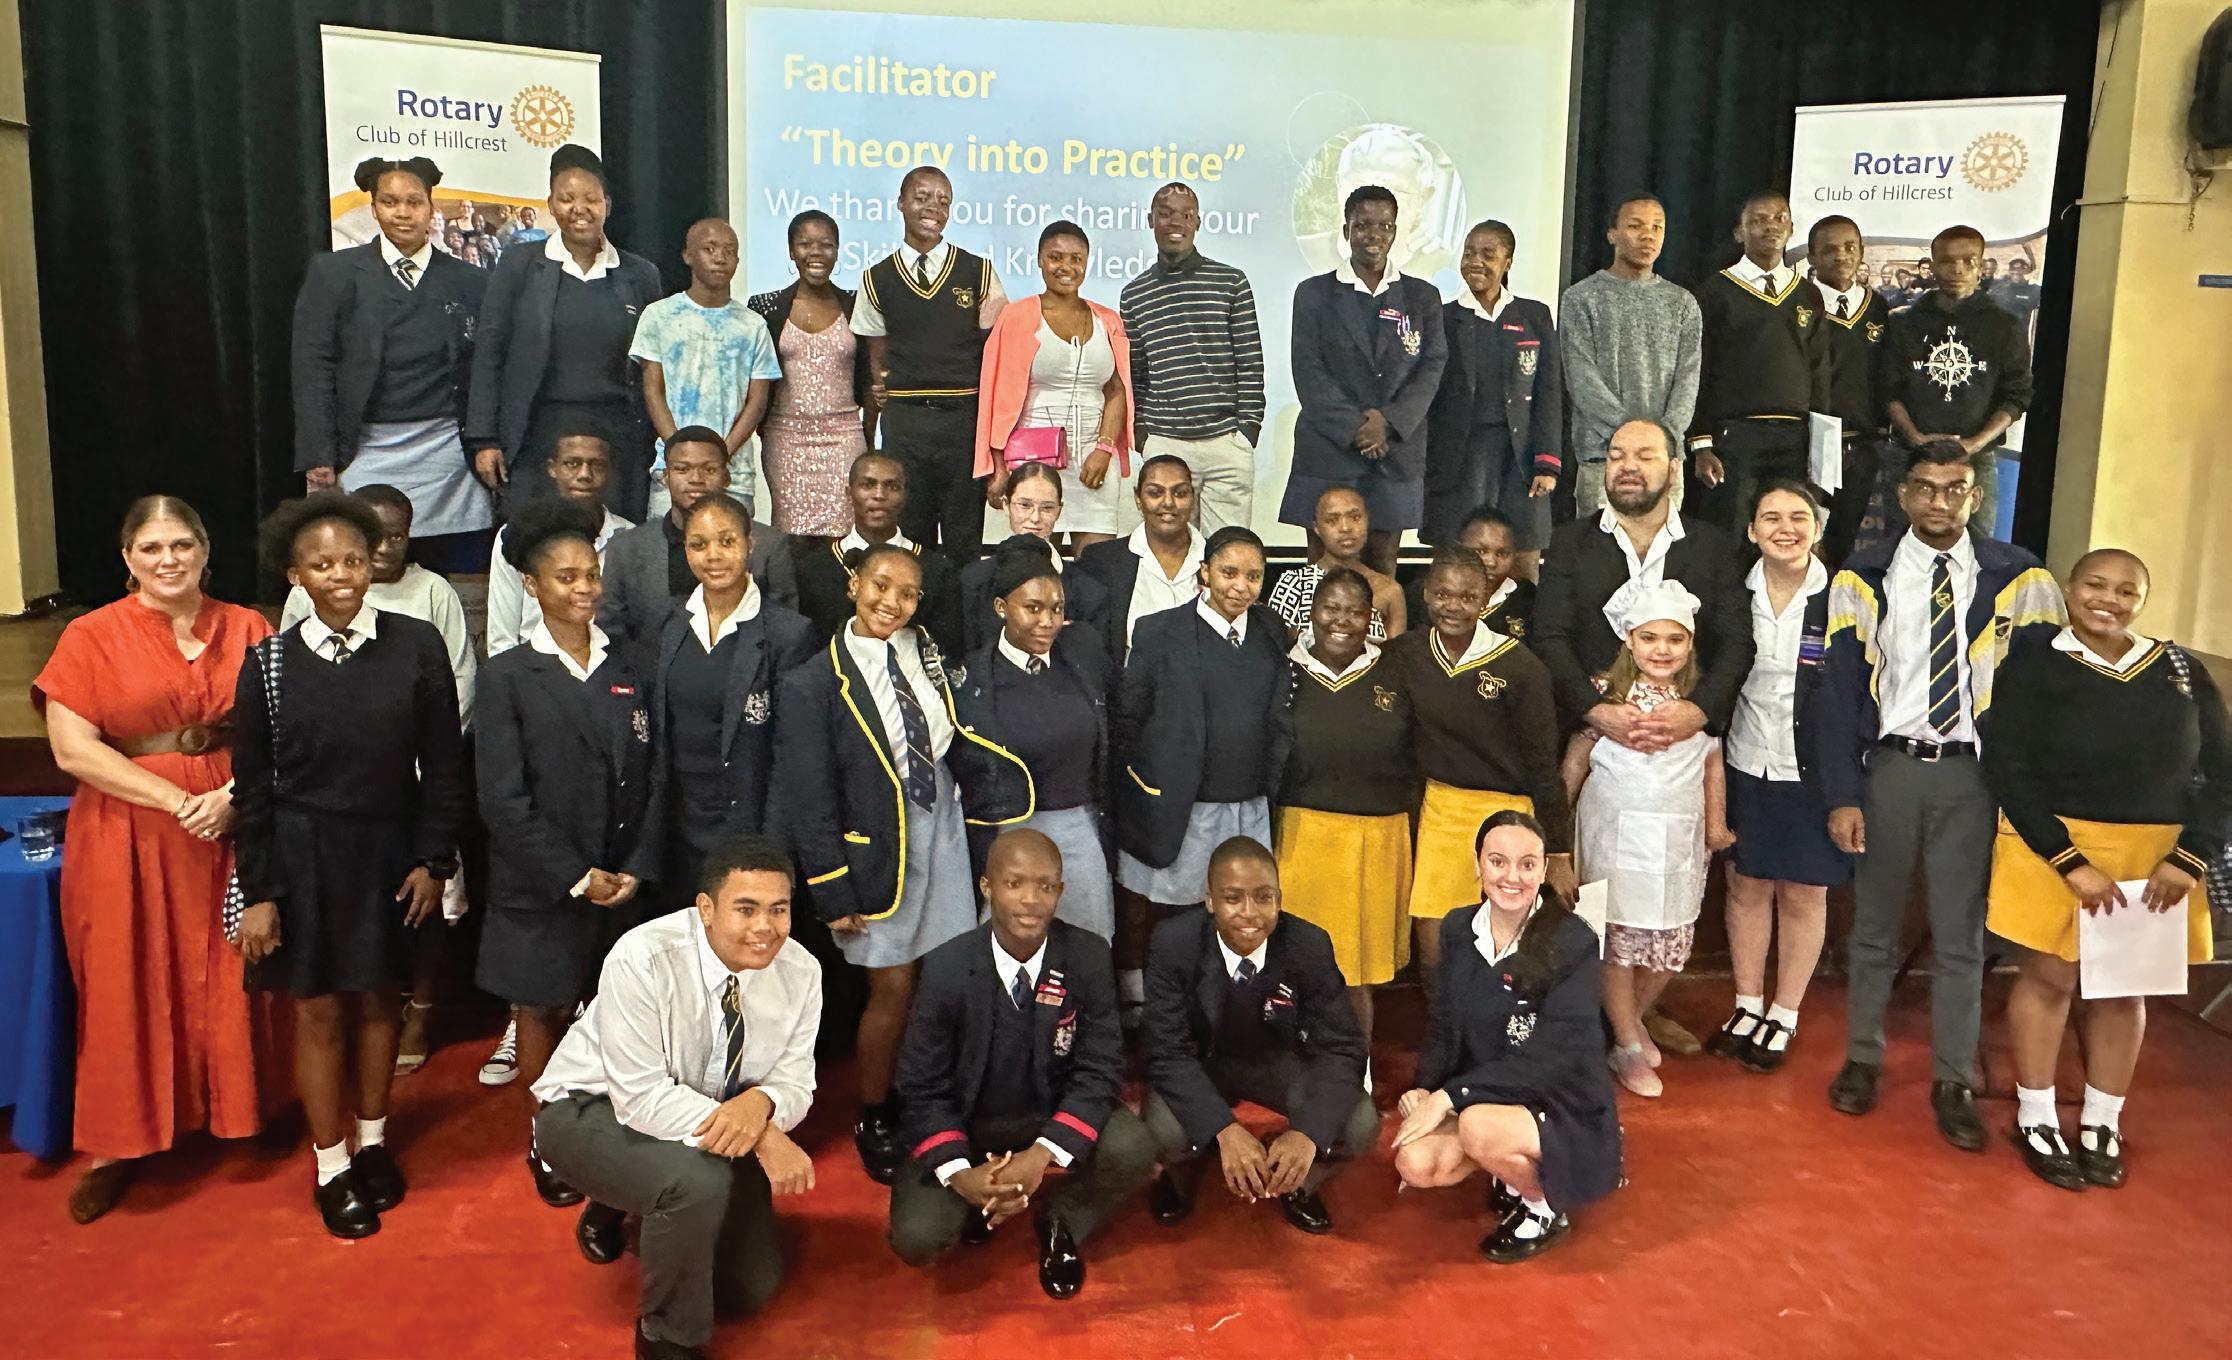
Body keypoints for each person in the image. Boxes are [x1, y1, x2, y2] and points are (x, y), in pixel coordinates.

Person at [34, 497, 287, 1224]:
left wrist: (235, 795)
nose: (168, 560)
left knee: (233, 963)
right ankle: (116, 1144)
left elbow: (283, 724)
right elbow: (72, 749)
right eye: (151, 548)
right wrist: (177, 801)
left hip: (235, 817)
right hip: (130, 829)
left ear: (206, 550)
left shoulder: (249, 626)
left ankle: (243, 1109)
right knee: (127, 973)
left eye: (182, 544)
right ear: (127, 558)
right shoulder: (89, 635)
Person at [231, 494, 467, 1238]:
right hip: (303, 859)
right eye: (323, 564)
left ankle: (372, 1143)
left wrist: (433, 859)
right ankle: (331, 1164)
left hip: (391, 855)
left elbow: (445, 764)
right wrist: (261, 891)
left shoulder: (415, 643)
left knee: (379, 1002)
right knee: (320, 1009)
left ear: (374, 563)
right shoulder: (267, 664)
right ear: (295, 575)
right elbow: (252, 789)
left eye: (353, 561)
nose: (341, 576)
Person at [1817, 442, 2064, 1150]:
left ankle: (1953, 1077)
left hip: (1972, 774)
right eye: (1924, 488)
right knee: (1873, 927)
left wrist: (2025, 789)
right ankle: (1863, 1057)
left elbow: (2041, 693)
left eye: (1954, 489)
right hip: (1891, 767)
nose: (1938, 502)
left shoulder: (2020, 576)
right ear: (1902, 496)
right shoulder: (1863, 575)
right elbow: (1836, 692)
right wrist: (1843, 794)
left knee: (1961, 936)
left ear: (1975, 497)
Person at [774, 543, 1030, 1184]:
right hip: (875, 847)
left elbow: (953, 737)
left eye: (908, 593)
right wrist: (832, 889)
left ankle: (934, 1095)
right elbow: (809, 796)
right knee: (891, 987)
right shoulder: (813, 682)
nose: (892, 602)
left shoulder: (928, 651)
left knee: (946, 975)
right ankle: (875, 1111)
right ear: (853, 585)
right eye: (880, 586)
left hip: (941, 825)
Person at [1981, 549, 2227, 1191]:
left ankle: (2102, 1120)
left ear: (2142, 600)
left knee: (2124, 989)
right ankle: (2036, 1116)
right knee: (2050, 978)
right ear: (2070, 589)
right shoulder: (2034, 666)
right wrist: (2069, 862)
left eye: (2126, 591)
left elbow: (2222, 773)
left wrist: (2189, 857)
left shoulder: (2180, 671)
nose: (2108, 600)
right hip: (2051, 846)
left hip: (2156, 859)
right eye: (2095, 584)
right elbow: (2008, 768)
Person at [531, 836, 821, 1360]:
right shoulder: (643, 956)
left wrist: (763, 1105)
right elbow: (640, 1098)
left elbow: (797, 1081)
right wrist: (761, 1134)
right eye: (746, 909)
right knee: (696, 1183)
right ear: (706, 908)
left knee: (746, 1292)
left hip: (710, 1120)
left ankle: (631, 1197)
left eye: (778, 910)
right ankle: (666, 1336)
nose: (765, 927)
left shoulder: (802, 972)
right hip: (589, 1109)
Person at [1533, 419, 1750, 1056]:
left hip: (1680, 756)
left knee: (1664, 905)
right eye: (1616, 455)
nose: (1628, 466)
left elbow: (1736, 643)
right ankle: (1608, 1026)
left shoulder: (1710, 545)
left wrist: (1698, 712)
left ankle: (1633, 1020)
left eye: (1645, 455)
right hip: (1600, 756)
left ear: (1674, 468)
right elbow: (1550, 638)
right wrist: (1595, 711)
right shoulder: (1572, 541)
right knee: (1599, 908)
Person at [474, 498, 665, 1206]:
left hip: (623, 882)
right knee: (544, 1012)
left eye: (591, 575)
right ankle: (548, 1138)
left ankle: (610, 1131)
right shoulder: (507, 676)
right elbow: (503, 799)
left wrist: (637, 865)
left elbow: (656, 775)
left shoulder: (632, 665)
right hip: (545, 885)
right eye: (566, 577)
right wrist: (575, 876)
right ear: (531, 586)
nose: (585, 588)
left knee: (618, 1014)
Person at [888, 829, 1153, 1300]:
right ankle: (978, 1203)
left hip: (1046, 1114)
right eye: (1014, 884)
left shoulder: (1088, 956)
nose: (1031, 900)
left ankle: (1061, 1219)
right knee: (917, 1238)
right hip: (969, 1123)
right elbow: (921, 1085)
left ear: (1060, 891)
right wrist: (961, 1173)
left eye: (1045, 885)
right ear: (987, 887)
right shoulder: (947, 966)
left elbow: (1099, 1068)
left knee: (1133, 1146)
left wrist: (1043, 1154)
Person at [280, 484, 476, 1074]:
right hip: (329, 792)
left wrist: (414, 751)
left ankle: (419, 1010)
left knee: (422, 909)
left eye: (395, 536)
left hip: (413, 779)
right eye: (373, 537)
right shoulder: (294, 616)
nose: (384, 548)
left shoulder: (431, 594)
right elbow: (291, 684)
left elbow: (459, 680)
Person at [1390, 811, 1621, 1264]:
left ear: (1543, 869)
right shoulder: (1458, 928)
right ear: (1477, 864)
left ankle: (1543, 1207)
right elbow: (1443, 1023)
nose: (1512, 877)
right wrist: (1425, 1089)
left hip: (1561, 1101)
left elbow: (1554, 1057)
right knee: (1416, 1162)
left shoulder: (1572, 940)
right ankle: (1507, 1169)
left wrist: (1450, 1097)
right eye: (1497, 861)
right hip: (1487, 1094)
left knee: (1477, 1127)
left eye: (1527, 864)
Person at [1142, 836, 1377, 1236]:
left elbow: (1343, 1047)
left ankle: (1298, 1181)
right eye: (1233, 898)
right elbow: (1165, 1050)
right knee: (1162, 1130)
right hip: (1201, 1062)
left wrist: (1308, 1134)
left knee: (1359, 1123)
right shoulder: (1174, 942)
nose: (1249, 913)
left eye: (1263, 897)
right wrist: (1224, 1129)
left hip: (1278, 1062)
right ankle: (1183, 1170)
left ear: (1279, 900)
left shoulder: (1309, 944)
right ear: (1210, 900)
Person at [1567, 582, 1733, 1099]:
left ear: (1691, 643)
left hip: (1678, 839)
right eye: (1649, 637)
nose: (1662, 649)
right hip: (1611, 838)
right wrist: (1553, 832)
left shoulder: (1700, 703)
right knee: (1616, 945)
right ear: (1629, 641)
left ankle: (1630, 1019)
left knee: (1667, 943)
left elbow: (1713, 764)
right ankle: (1626, 1044)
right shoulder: (1605, 697)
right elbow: (1576, 759)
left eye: (1675, 639)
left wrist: (1716, 825)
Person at [1708, 483, 1848, 1073]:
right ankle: (1746, 1005)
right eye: (1771, 517)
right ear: (1751, 530)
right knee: (1745, 884)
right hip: (1745, 759)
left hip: (1814, 768)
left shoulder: (1843, 595)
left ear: (1817, 528)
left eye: (1798, 517)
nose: (1785, 528)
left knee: (1803, 892)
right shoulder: (1729, 593)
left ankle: (1784, 1013)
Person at [291, 156, 492, 563]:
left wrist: (487, 441)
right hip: (363, 448)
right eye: (390, 202)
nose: (402, 212)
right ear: (374, 208)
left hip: (446, 450)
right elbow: (312, 365)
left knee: (449, 565)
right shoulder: (334, 273)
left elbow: (487, 369)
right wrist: (318, 454)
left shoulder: (470, 280)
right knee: (362, 559)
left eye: (414, 202)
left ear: (431, 209)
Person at [1387, 549, 1569, 997]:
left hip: (1509, 815)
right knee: (1435, 951)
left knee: (1506, 947)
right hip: (1443, 812)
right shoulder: (1405, 654)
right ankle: (1445, 1031)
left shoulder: (1522, 667)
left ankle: (1499, 1034)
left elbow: (1543, 764)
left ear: (1485, 599)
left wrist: (1559, 851)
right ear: (1425, 593)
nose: (1453, 606)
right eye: (1443, 594)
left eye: (1467, 597)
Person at [1114, 527, 1293, 946]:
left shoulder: (1269, 628)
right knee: (1174, 915)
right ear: (1205, 572)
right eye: (1229, 572)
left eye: (1253, 576)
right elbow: (1128, 720)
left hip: (1250, 806)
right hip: (1184, 807)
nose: (1240, 586)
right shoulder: (1159, 631)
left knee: (1241, 915)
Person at [466, 145, 663, 519]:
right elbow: (490, 349)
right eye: (567, 199)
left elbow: (655, 366)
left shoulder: (640, 275)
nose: (579, 208)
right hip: (536, 431)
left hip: (618, 435)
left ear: (607, 205)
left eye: (591, 199)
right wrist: (485, 438)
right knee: (539, 538)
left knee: (614, 539)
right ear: (551, 205)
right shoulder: (520, 264)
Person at [1272, 568, 1417, 1056]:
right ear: (1311, 613)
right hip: (1301, 836)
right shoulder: (1283, 669)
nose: (1341, 620)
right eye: (1330, 608)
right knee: (1297, 962)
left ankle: (1355, 1063)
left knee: (1357, 972)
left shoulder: (1396, 668)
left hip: (1375, 838)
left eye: (1355, 611)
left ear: (1370, 618)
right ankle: (1291, 1061)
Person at [653, 493, 820, 898]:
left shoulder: (788, 634)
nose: (713, 555)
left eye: (727, 541)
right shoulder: (670, 624)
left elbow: (791, 755)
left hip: (749, 826)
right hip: (677, 826)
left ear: (750, 543)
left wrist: (770, 851)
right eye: (699, 544)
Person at [951, 535, 1114, 939]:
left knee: (1088, 941)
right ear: (1001, 608)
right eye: (1033, 608)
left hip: (1079, 823)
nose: (1048, 621)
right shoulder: (971, 677)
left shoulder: (1083, 650)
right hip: (1009, 829)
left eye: (1057, 609)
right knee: (1010, 940)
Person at [1281, 185, 1449, 575]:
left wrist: (1387, 424)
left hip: (1395, 451)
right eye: (1362, 225)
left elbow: (1432, 366)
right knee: (1322, 568)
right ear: (1346, 231)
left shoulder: (1422, 297)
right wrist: (1357, 428)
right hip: (1329, 450)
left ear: (1395, 232)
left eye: (1383, 226)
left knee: (1383, 564)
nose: (1373, 235)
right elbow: (1308, 371)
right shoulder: (1313, 294)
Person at [854, 165, 1008, 555]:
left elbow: (995, 355)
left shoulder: (978, 271)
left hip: (963, 422)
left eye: (943, 201)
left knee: (963, 540)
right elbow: (877, 358)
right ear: (900, 203)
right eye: (921, 198)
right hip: (905, 424)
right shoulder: (876, 279)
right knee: (909, 538)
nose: (932, 208)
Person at [1118, 182, 1266, 534]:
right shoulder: (1134, 294)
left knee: (1227, 552)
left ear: (1197, 222)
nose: (1176, 222)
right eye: (1165, 214)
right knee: (1167, 551)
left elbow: (1250, 363)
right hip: (1165, 442)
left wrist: (1247, 430)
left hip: (1225, 442)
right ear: (1150, 220)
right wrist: (1143, 434)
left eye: (1186, 215)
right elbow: (1137, 373)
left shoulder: (1231, 282)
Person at [976, 220, 1134, 547]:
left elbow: (1116, 390)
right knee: (1033, 564)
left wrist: (1105, 448)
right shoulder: (1016, 316)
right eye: (1055, 257)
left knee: (1097, 567)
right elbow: (995, 397)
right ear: (1039, 260)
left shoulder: (1107, 320)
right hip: (1034, 464)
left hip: (1094, 464)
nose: (1066, 267)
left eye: (1076, 259)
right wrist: (998, 467)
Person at [1685, 191, 1831, 533]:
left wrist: (1821, 451)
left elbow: (1820, 372)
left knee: (1785, 531)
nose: (1771, 226)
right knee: (1732, 532)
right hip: (1735, 436)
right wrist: (1702, 443)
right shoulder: (1714, 292)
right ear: (1740, 232)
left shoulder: (1808, 293)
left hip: (1795, 438)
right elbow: (1698, 371)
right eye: (1759, 220)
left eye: (1780, 218)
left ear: (1791, 228)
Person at [1877, 226, 2034, 534]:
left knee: (1977, 549)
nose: (1958, 269)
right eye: (1947, 261)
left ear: (1981, 265)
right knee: (1900, 546)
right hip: (1910, 454)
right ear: (1933, 265)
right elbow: (1887, 389)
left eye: (1968, 261)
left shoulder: (2004, 326)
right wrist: (1915, 438)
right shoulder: (1904, 323)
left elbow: (2018, 395)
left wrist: (1974, 443)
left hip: (1976, 457)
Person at [1424, 219, 1562, 563]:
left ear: (1508, 262)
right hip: (1460, 460)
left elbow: (1549, 393)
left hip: (1520, 460)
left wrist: (1547, 463)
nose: (1476, 261)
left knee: (1524, 560)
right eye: (1469, 253)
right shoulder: (1442, 317)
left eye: (1488, 254)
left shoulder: (1534, 316)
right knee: (1457, 561)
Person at [1559, 196, 1703, 514]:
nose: (1648, 235)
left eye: (1657, 227)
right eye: (1636, 226)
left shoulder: (1683, 303)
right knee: (1601, 544)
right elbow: (1582, 379)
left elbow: (1688, 379)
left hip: (1663, 458)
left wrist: (1662, 437)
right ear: (1612, 234)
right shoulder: (1581, 298)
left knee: (1662, 545)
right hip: (1603, 457)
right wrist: (1630, 437)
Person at [632, 218, 783, 520]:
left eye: (729, 250)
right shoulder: (658, 316)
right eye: (710, 249)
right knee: (668, 547)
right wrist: (681, 455)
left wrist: (719, 457)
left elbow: (757, 401)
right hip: (673, 472)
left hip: (732, 474)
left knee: (730, 547)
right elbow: (653, 391)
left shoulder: (753, 325)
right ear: (688, 256)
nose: (720, 257)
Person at [596, 427, 797, 646]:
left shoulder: (769, 544)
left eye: (709, 469)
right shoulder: (626, 548)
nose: (696, 479)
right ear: (666, 477)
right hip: (649, 666)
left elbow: (785, 631)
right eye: (682, 469)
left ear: (727, 477)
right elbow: (610, 636)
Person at [749, 209, 871, 537]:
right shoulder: (765, 307)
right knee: (791, 536)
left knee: (845, 533)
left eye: (826, 245)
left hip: (844, 437)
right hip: (785, 438)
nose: (816, 252)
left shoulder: (855, 304)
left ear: (837, 251)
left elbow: (868, 377)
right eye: (805, 244)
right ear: (791, 251)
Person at [790, 450, 961, 651]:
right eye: (868, 485)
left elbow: (948, 650)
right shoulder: (814, 569)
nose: (879, 495)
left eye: (892, 487)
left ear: (905, 496)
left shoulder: (937, 570)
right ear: (849, 493)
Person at [486, 430, 633, 656]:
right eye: (572, 464)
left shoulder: (631, 539)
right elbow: (502, 641)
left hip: (610, 668)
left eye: (597, 465)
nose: (585, 474)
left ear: (610, 471)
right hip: (530, 669)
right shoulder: (519, 535)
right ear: (552, 468)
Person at [1801, 215, 1891, 566]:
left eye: (1850, 247)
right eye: (1829, 249)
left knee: (1845, 538)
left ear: (1861, 252)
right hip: (1812, 440)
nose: (1841, 256)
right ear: (1812, 257)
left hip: (1863, 443)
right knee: (1806, 534)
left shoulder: (1877, 306)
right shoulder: (1799, 303)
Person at [955, 462, 1113, 658]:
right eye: (1024, 505)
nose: (1035, 518)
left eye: (1047, 508)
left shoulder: (1088, 591)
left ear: (1059, 511)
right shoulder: (974, 580)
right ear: (1006, 505)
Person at [1072, 453, 1205, 665]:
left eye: (1180, 493)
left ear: (1192, 498)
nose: (1168, 502)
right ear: (1137, 499)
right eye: (1155, 493)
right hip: (1128, 682)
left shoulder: (1215, 560)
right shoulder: (1102, 561)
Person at [1263, 485, 1406, 643]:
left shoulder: (1389, 590)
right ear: (1317, 528)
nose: (1345, 528)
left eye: (1355, 517)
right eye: (1332, 520)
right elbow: (1272, 647)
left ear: (1367, 520)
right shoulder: (1295, 583)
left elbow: (1397, 654)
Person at [1403, 505, 1536, 642]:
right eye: (1481, 551)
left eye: (1502, 554)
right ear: (1459, 547)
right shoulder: (1423, 593)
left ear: (1515, 555)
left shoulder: (1527, 599)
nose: (1491, 562)